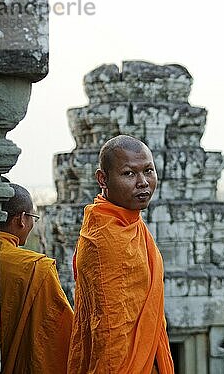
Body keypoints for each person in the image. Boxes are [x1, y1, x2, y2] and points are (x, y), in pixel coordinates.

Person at [68, 135, 174, 374]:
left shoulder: (131, 223)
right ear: (102, 179)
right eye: (129, 174)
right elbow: (109, 330)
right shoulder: (102, 238)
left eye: (148, 170)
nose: (143, 182)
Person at [0, 183, 73, 373]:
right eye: (33, 218)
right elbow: (59, 335)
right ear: (22, 219)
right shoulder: (37, 267)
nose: (32, 224)